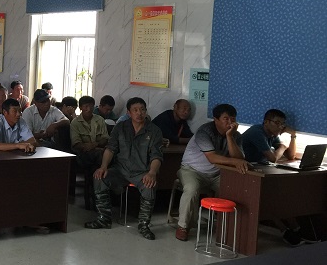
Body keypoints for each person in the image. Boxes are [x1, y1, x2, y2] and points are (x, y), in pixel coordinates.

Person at [84, 97, 163, 240]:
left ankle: (143, 225)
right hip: (120, 170)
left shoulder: (154, 130)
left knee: (149, 185)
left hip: (141, 172)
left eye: (142, 110)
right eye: (135, 110)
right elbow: (110, 148)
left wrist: (152, 172)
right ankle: (104, 218)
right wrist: (103, 167)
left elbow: (156, 155)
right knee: (99, 177)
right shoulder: (120, 127)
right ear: (129, 112)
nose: (139, 113)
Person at [175, 103, 248, 242]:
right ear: (216, 119)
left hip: (216, 174)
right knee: (191, 189)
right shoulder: (204, 131)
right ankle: (183, 226)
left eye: (233, 119)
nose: (230, 122)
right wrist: (234, 161)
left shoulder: (236, 135)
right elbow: (212, 158)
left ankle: (225, 225)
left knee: (233, 190)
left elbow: (238, 158)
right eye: (226, 119)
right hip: (191, 170)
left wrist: (230, 137)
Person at [241, 109, 305, 245]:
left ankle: (296, 229)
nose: (280, 127)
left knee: (281, 194)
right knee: (270, 196)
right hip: (244, 172)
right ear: (266, 122)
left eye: (282, 124)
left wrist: (293, 136)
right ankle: (286, 231)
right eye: (277, 123)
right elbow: (273, 158)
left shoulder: (272, 134)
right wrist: (282, 146)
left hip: (260, 169)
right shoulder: (256, 132)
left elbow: (291, 156)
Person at [70, 96, 110, 194]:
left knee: (107, 154)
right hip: (82, 154)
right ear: (80, 107)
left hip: (99, 150)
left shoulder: (100, 120)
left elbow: (105, 138)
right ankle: (98, 187)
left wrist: (95, 144)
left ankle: (100, 184)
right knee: (101, 155)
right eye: (86, 106)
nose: (89, 109)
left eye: (91, 106)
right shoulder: (75, 123)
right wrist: (89, 147)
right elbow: (76, 143)